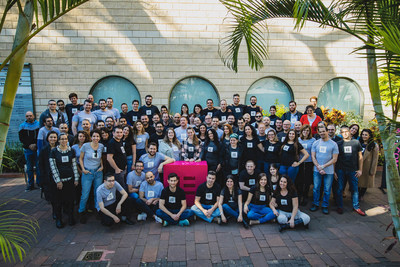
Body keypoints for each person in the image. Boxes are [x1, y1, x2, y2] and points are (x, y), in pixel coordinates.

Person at [49, 133, 80, 228]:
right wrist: (58, 181)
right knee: (59, 201)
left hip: (70, 179)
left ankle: (71, 217)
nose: (64, 141)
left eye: (65, 139)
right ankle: (59, 219)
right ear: (58, 140)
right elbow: (53, 167)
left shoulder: (71, 150)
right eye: (61, 139)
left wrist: (76, 178)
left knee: (70, 200)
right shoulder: (54, 151)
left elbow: (74, 165)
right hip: (59, 181)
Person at [335, 126, 365, 215]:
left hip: (353, 170)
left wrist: (360, 170)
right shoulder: (338, 143)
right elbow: (335, 158)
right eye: (342, 132)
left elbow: (360, 157)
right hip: (341, 170)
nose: (344, 133)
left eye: (346, 131)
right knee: (339, 189)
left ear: (349, 132)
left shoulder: (356, 142)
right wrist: (334, 171)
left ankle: (356, 207)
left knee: (354, 189)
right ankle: (340, 206)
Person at [310, 125, 339, 214]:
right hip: (317, 169)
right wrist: (318, 167)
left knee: (327, 189)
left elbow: (334, 159)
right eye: (320, 131)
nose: (322, 133)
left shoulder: (333, 144)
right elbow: (313, 156)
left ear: (327, 131)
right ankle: (315, 204)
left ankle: (325, 205)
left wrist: (323, 166)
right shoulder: (316, 143)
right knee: (316, 188)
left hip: (329, 171)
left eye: (323, 131)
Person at [78, 129, 104, 223]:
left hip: (98, 172)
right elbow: (80, 158)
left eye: (97, 136)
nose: (95, 138)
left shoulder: (101, 146)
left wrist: (102, 166)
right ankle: (81, 212)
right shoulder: (85, 146)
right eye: (94, 136)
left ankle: (98, 210)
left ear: (100, 138)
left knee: (98, 193)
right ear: (91, 137)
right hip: (87, 172)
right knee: (85, 194)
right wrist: (83, 169)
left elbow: (100, 157)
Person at [19, 111, 40, 191]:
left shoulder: (38, 125)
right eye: (27, 116)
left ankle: (39, 183)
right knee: (29, 168)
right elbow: (22, 138)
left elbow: (39, 136)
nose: (29, 117)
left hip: (36, 148)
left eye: (30, 116)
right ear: (25, 117)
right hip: (28, 150)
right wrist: (29, 145)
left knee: (38, 167)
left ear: (33, 116)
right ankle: (30, 184)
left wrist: (35, 144)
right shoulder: (22, 126)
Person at [297, 125, 316, 206]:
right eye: (304, 130)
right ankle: (299, 195)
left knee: (307, 180)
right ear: (301, 131)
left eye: (307, 131)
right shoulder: (298, 139)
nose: (306, 132)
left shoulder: (313, 140)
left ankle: (305, 196)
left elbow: (313, 152)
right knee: (299, 180)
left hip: (309, 162)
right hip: (300, 162)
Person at [39, 131, 58, 209]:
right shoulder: (44, 150)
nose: (53, 139)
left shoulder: (59, 148)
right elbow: (41, 164)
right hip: (48, 174)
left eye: (54, 137)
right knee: (51, 194)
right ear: (47, 138)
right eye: (51, 137)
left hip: (59, 174)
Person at [358, 129, 379, 201]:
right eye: (363, 134)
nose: (364, 136)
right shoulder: (359, 143)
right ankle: (356, 195)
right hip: (358, 166)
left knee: (365, 182)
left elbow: (375, 159)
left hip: (367, 166)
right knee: (357, 182)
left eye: (366, 135)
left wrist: (372, 170)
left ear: (369, 136)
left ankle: (361, 195)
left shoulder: (374, 145)